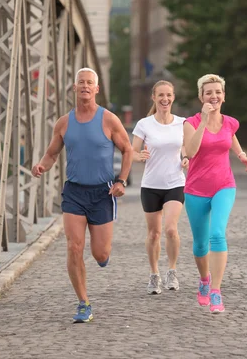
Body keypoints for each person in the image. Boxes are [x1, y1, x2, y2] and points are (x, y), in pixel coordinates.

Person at [32, 67, 133, 323]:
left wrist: (121, 180)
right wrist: (42, 164)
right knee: (74, 246)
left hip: (102, 193)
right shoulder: (64, 123)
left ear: (96, 89)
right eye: (81, 82)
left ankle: (102, 256)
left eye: (90, 83)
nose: (85, 86)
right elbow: (52, 153)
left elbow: (128, 150)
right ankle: (83, 302)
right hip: (74, 192)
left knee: (100, 253)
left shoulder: (109, 119)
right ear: (74, 88)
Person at [183, 74, 247, 313]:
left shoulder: (230, 122)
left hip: (224, 185)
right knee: (200, 244)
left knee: (217, 234)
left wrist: (242, 155)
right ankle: (204, 280)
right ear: (201, 97)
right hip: (195, 189)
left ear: (224, 95)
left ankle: (215, 290)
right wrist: (203, 120)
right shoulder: (190, 123)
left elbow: (230, 139)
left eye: (218, 92)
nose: (214, 96)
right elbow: (191, 151)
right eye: (208, 93)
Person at [131, 80, 188, 295]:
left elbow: (186, 147)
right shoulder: (144, 124)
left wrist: (186, 158)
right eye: (161, 95)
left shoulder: (182, 123)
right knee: (154, 234)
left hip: (175, 182)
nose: (165, 99)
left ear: (173, 97)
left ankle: (172, 271)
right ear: (154, 98)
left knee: (171, 229)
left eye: (169, 95)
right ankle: (154, 274)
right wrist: (139, 156)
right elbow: (133, 151)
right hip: (151, 185)